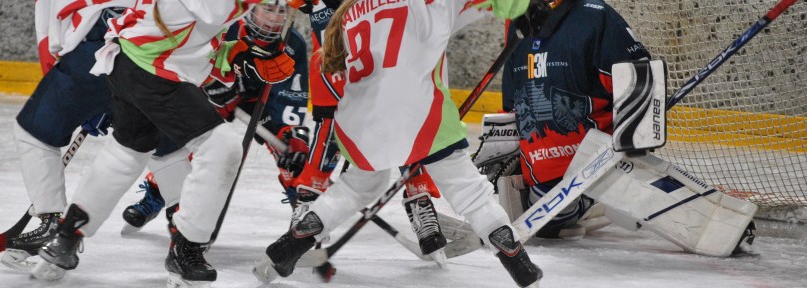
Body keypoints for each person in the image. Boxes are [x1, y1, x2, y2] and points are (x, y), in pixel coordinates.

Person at [253, 1, 544, 287]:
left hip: (358, 124)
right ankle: (516, 260)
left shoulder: (350, 12)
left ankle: (293, 242)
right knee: (469, 193)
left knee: (358, 186)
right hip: (422, 119)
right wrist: (525, 6)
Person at [29, 1, 297, 287]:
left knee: (127, 153)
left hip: (131, 60)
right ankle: (186, 249)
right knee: (222, 148)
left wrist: (236, 55)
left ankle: (67, 236)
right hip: (152, 70)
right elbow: (212, 11)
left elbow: (195, 32)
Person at [120, 3, 313, 235]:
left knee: (293, 151)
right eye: (268, 9)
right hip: (210, 93)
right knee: (194, 144)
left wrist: (290, 131)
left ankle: (305, 217)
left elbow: (290, 96)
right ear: (252, 8)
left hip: (256, 104)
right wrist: (213, 84)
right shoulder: (225, 24)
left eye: (281, 12)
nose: (274, 18)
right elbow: (190, 63)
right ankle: (157, 193)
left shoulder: (293, 45)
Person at [497, 0, 650, 239]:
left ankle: (599, 198)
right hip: (540, 169)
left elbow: (639, 77)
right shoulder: (517, 20)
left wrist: (632, 146)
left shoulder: (596, 16)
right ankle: (590, 200)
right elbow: (512, 104)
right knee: (531, 217)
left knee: (550, 224)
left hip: (592, 163)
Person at [0, 0, 133, 271]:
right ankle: (187, 240)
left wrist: (85, 93)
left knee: (35, 133)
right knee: (157, 147)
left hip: (99, 49)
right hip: (160, 60)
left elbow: (55, 31)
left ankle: (52, 225)